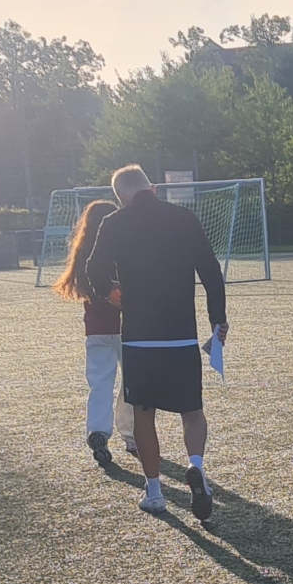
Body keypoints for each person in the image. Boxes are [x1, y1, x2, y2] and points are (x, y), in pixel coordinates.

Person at [81, 164, 227, 519]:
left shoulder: (113, 222)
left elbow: (93, 269)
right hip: (180, 335)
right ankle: (196, 465)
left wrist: (112, 294)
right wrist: (218, 319)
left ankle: (155, 491)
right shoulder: (183, 218)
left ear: (120, 197)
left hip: (139, 339)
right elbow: (211, 272)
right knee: (192, 412)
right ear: (153, 189)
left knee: (144, 416)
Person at [51, 198, 138, 468]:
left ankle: (98, 431)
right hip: (127, 327)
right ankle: (131, 433)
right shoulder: (121, 249)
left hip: (96, 330)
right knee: (133, 383)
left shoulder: (83, 254)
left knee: (100, 385)